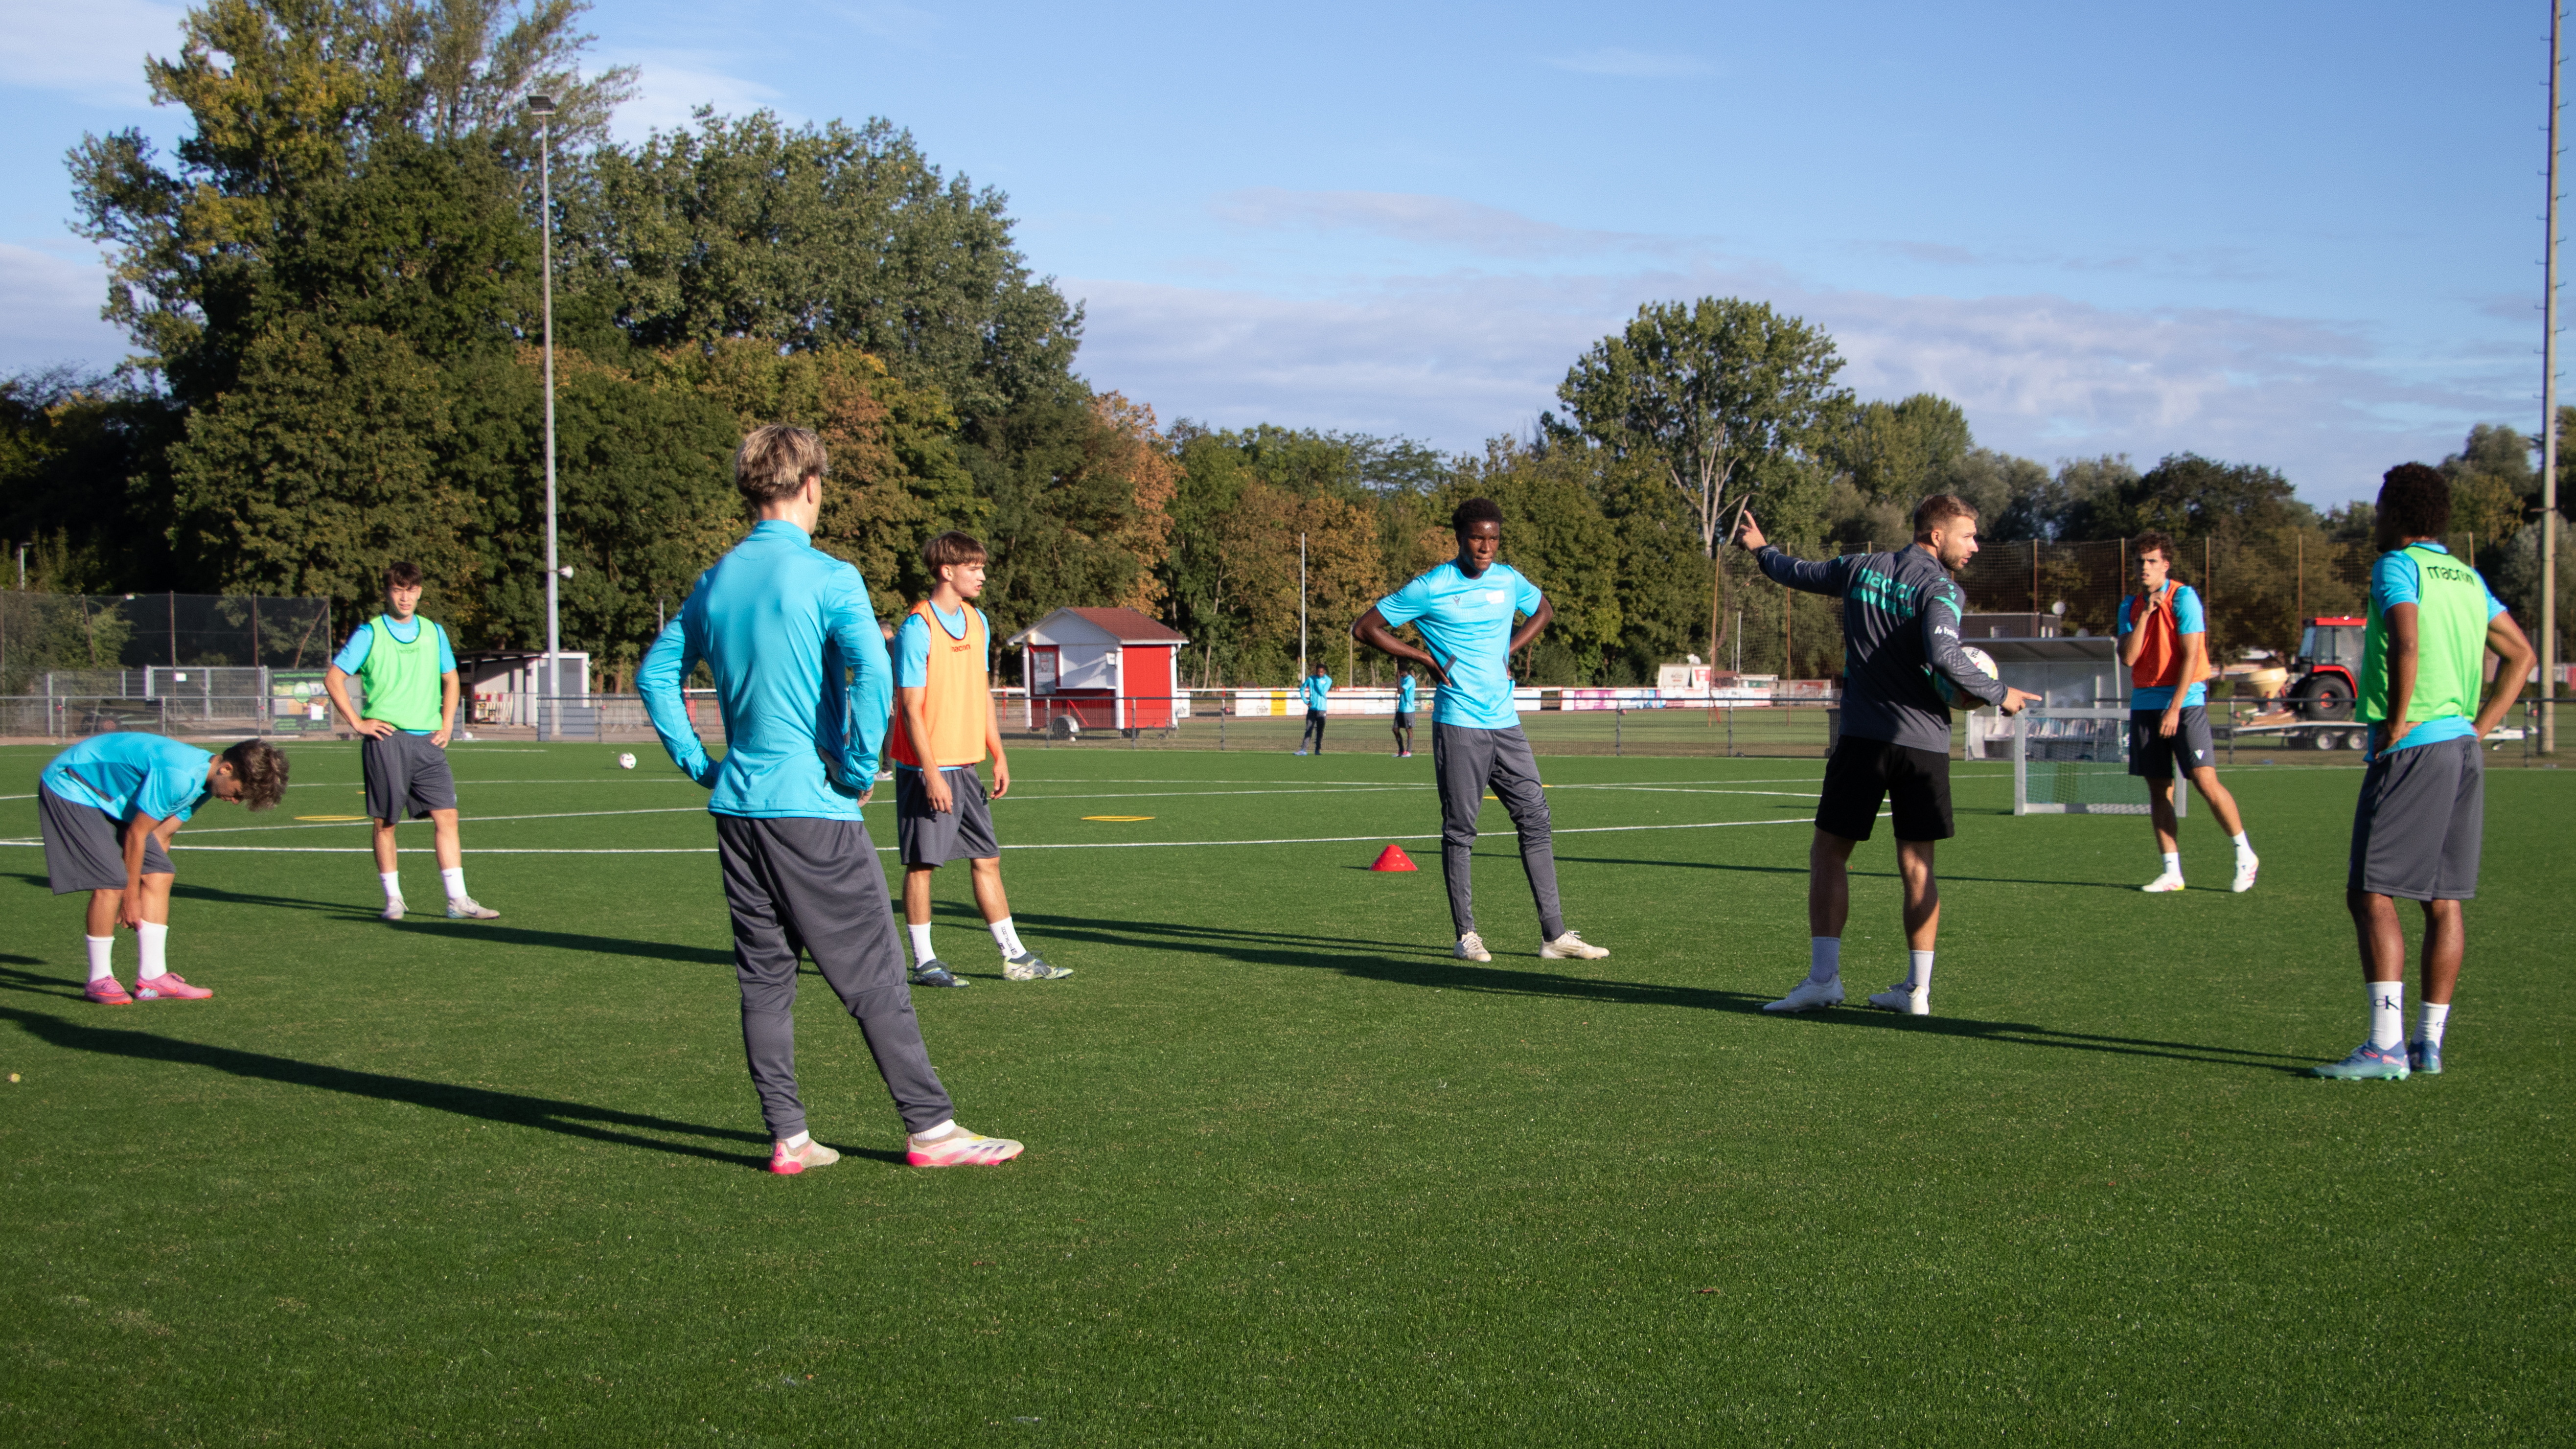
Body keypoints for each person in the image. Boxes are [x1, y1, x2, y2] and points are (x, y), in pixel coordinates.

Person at [639, 424, 1020, 1172]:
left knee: (765, 977)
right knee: (876, 972)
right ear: (811, 485)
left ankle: (789, 1136)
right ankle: (932, 1130)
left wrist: (701, 765)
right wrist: (855, 766)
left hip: (739, 808)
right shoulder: (831, 576)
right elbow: (874, 672)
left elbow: (656, 675)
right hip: (812, 805)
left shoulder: (715, 580)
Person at [1736, 495, 2038, 1017]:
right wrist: (1999, 692)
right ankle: (1917, 992)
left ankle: (1823, 980)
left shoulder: (1859, 568)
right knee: (1917, 866)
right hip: (1924, 746)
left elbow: (1795, 572)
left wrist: (1762, 550)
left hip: (1864, 739)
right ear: (1936, 535)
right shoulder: (1942, 588)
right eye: (1968, 535)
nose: (1975, 545)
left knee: (1829, 854)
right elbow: (1945, 655)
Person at [2311, 464, 2532, 1081]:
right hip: (2461, 748)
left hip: (2414, 748)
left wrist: (2396, 722)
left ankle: (2384, 1047)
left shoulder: (2396, 565)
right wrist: (2477, 728)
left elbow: (2404, 642)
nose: (2374, 516)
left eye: (2379, 505)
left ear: (2396, 513)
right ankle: (2426, 1044)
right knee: (2442, 900)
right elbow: (2521, 654)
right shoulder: (2466, 577)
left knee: (2369, 893)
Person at [1353, 497, 1610, 964]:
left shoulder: (1509, 580)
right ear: (1460, 537)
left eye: (1493, 538)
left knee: (1536, 818)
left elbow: (1544, 610)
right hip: (1459, 724)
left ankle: (1554, 936)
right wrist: (1423, 658)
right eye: (1477, 538)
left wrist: (1509, 649)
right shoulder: (1432, 586)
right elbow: (1365, 627)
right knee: (1461, 830)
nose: (1486, 547)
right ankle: (1466, 935)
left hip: (1506, 723)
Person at [889, 529, 1068, 989]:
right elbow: (910, 708)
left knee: (988, 858)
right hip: (927, 769)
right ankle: (925, 962)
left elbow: (981, 693)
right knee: (923, 864)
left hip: (967, 766)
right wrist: (931, 774)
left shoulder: (978, 620)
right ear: (947, 571)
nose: (983, 576)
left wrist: (998, 753)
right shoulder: (917, 628)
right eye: (974, 568)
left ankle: (1015, 957)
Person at [38, 734, 290, 1004]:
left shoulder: (206, 785)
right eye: (238, 793)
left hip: (113, 794)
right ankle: (99, 980)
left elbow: (162, 835)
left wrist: (149, 877)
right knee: (112, 881)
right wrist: (131, 897)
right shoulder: (180, 777)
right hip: (73, 782)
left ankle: (153, 979)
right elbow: (137, 834)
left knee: (161, 872)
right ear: (226, 769)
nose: (236, 801)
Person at [323, 562, 499, 921]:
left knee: (447, 816)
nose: (406, 597)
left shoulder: (434, 632)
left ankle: (458, 900)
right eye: (398, 590)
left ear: (420, 592)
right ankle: (394, 900)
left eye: (412, 590)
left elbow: (451, 679)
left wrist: (447, 725)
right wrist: (357, 722)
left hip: (429, 743)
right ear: (388, 592)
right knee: (386, 823)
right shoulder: (370, 632)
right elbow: (334, 678)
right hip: (387, 740)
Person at [2117, 531, 2258, 893]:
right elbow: (2129, 657)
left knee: (2204, 781)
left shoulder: (2184, 597)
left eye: (2152, 561)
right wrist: (2146, 613)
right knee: (2158, 790)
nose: (2145, 567)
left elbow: (2193, 655)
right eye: (2140, 561)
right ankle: (2172, 872)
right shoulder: (2130, 605)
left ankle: (2245, 854)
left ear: (2166, 565)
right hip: (2145, 703)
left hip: (2185, 703)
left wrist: (2175, 708)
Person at [1294, 661, 1332, 755]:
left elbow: (1322, 692)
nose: (1320, 673)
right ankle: (1303, 750)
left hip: (1322, 710)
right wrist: (1306, 701)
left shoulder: (1328, 680)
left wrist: (1317, 682)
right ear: (1316, 671)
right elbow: (1302, 689)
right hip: (1312, 709)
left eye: (1322, 672)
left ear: (1324, 671)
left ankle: (1318, 750)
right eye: (1318, 672)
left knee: (1320, 731)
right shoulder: (1311, 679)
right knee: (1308, 730)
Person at [1391, 666, 1418, 758]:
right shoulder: (1402, 679)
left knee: (1409, 730)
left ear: (1402, 672)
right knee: (1395, 729)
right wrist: (1399, 679)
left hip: (1408, 709)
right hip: (1401, 708)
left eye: (1399, 672)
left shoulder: (1411, 680)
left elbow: (1400, 691)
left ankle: (1409, 751)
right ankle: (1401, 750)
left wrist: (1398, 679)